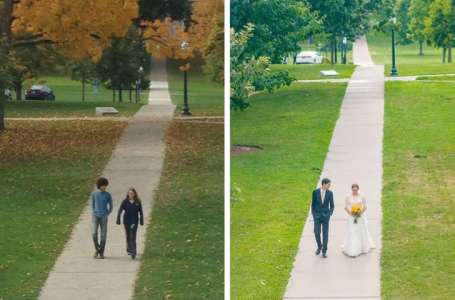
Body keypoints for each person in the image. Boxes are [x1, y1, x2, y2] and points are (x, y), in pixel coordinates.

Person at [342, 184, 375, 257]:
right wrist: (351, 213)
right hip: (351, 216)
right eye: (353, 190)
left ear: (358, 189)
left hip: (360, 216)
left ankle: (363, 247)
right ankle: (352, 248)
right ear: (351, 190)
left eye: (356, 190)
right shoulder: (348, 196)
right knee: (352, 231)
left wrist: (360, 212)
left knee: (361, 230)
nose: (355, 191)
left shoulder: (362, 196)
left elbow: (365, 206)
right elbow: (345, 207)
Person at [116, 188, 144, 259]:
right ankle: (129, 248)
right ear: (128, 194)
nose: (131, 194)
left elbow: (141, 212)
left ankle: (133, 251)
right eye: (130, 193)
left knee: (133, 235)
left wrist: (141, 220)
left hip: (134, 220)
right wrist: (118, 218)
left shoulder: (138, 202)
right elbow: (120, 210)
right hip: (126, 220)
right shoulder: (125, 201)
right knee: (128, 235)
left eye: (132, 193)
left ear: (135, 194)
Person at [311, 178, 335, 258]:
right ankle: (319, 246)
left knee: (325, 234)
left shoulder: (330, 193)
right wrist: (313, 214)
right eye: (328, 184)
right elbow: (313, 204)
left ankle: (324, 251)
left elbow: (332, 206)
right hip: (317, 216)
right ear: (324, 184)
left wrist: (329, 214)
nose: (329, 186)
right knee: (316, 232)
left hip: (325, 217)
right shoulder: (315, 192)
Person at [91, 177, 113, 259]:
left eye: (105, 186)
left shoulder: (108, 195)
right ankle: (97, 249)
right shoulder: (94, 194)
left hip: (104, 216)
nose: (104, 187)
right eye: (103, 185)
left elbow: (111, 206)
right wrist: (94, 212)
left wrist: (107, 213)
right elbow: (92, 204)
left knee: (103, 235)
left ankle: (101, 252)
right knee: (94, 234)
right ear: (99, 186)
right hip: (95, 216)